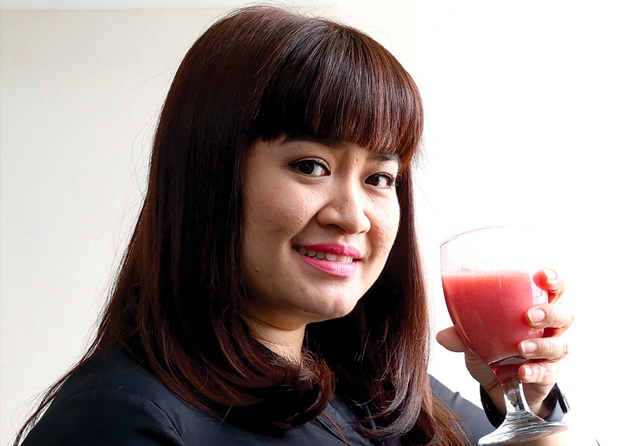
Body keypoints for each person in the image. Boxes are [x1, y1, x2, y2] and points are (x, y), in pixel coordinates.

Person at [14, 6, 575, 446]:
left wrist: (524, 398)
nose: (352, 215)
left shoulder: (384, 399)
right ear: (209, 175)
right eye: (310, 166)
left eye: (379, 178)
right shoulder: (122, 417)